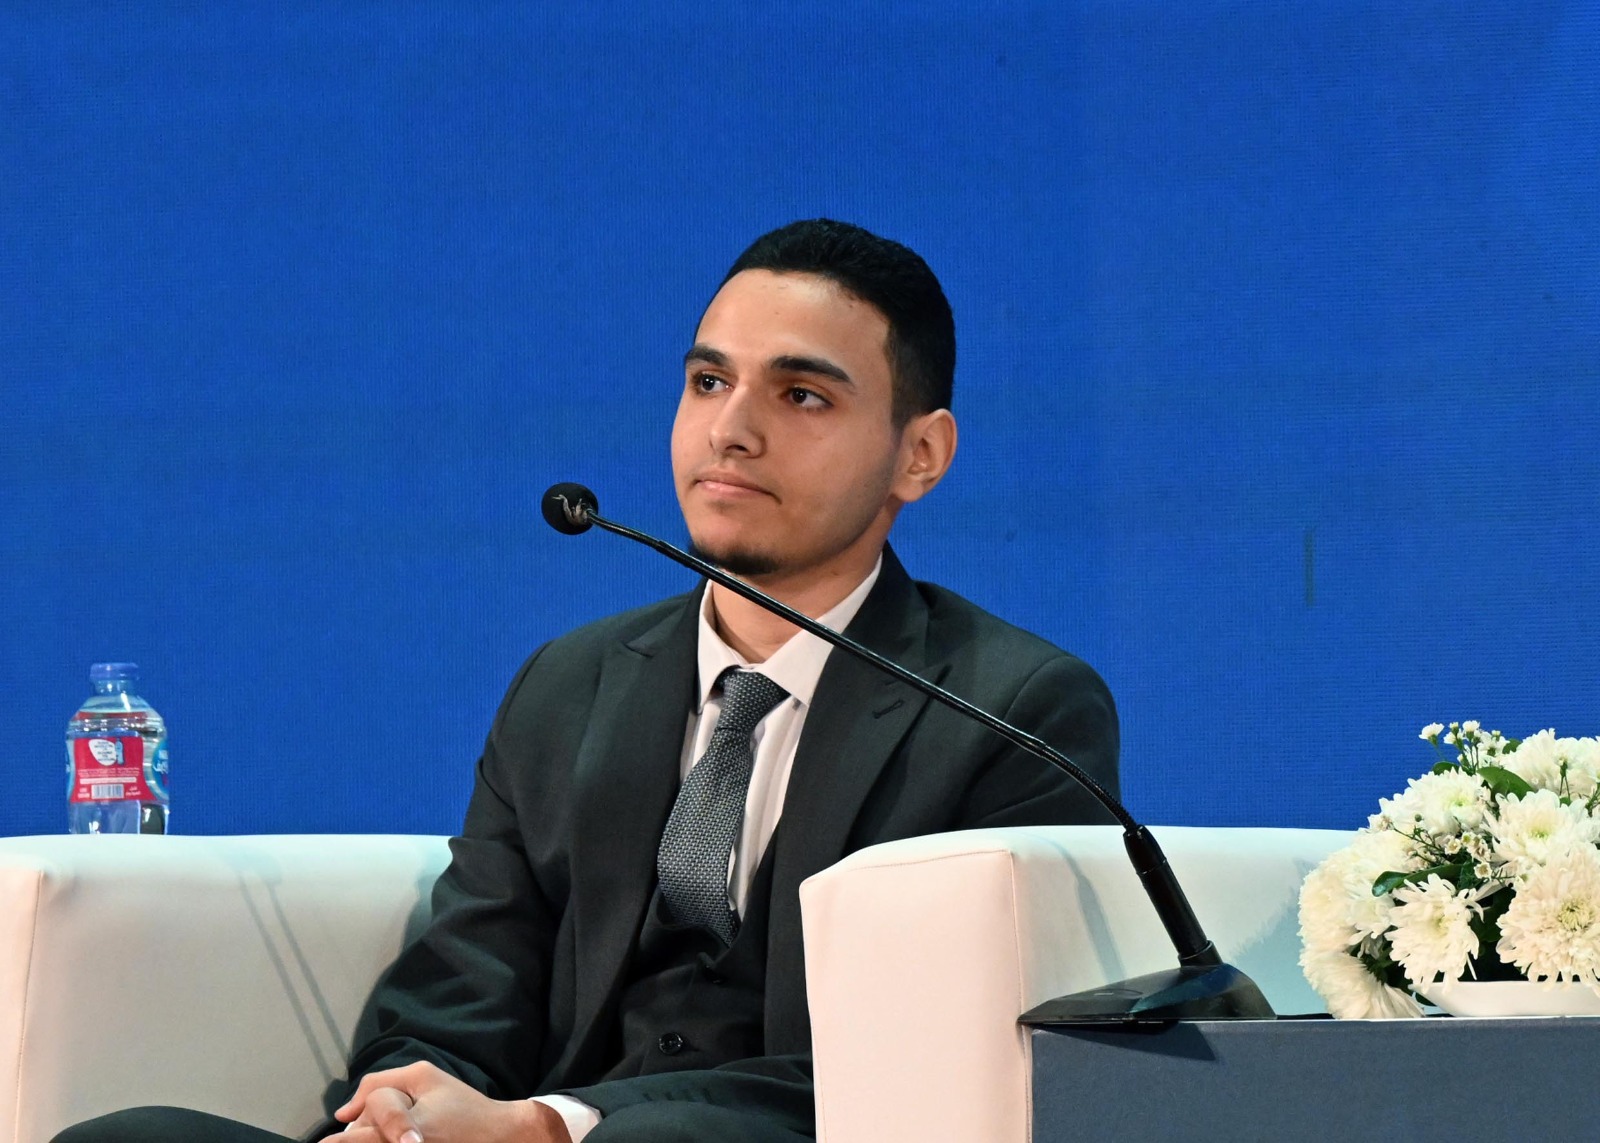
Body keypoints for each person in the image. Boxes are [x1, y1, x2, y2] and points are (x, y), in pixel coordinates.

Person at [56, 219, 1118, 1143]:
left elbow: (929, 1059)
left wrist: (553, 1126)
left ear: (920, 454)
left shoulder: (1010, 711)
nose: (731, 430)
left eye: (800, 395)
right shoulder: (570, 685)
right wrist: (409, 1108)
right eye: (708, 382)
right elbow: (467, 981)